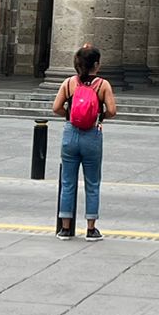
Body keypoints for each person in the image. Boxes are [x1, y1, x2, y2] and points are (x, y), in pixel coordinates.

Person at [51, 43, 117, 240]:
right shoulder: (102, 85)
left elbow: (56, 107)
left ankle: (65, 228)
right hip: (92, 135)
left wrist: (71, 116)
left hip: (70, 133)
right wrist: (99, 117)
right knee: (92, 183)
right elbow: (112, 111)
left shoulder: (69, 83)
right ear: (96, 64)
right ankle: (90, 228)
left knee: (67, 182)